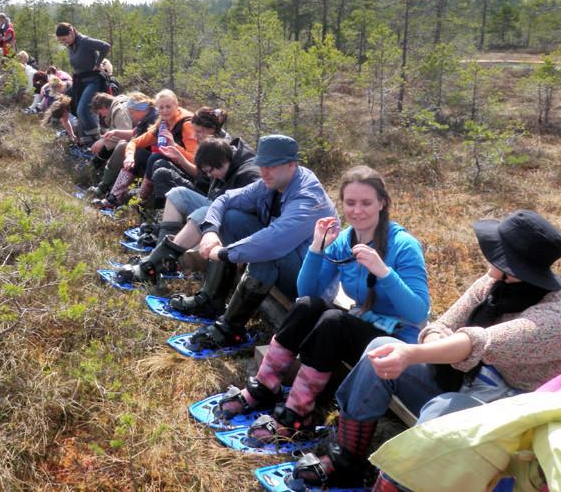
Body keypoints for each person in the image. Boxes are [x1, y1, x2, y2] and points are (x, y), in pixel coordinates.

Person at [288, 209, 561, 491]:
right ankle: (347, 456)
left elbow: (479, 341)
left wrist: (415, 354)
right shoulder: (494, 285)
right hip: (460, 377)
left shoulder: (554, 316)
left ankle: (391, 483)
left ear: (514, 268)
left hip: (504, 410)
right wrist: (434, 348)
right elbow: (441, 325)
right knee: (381, 348)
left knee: (442, 413)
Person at [216, 166, 430, 443]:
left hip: (396, 342)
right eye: (350, 203)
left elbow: (417, 311)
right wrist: (317, 249)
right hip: (363, 325)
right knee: (308, 306)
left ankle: (297, 413)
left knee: (334, 322)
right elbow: (307, 292)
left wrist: (384, 272)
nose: (357, 211)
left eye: (366, 203)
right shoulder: (346, 239)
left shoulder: (403, 245)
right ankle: (265, 386)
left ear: (382, 203)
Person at [180, 135, 337, 351]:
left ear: (292, 164)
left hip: (312, 285)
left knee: (264, 254)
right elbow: (224, 199)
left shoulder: (308, 199)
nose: (264, 171)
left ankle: (230, 329)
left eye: (271, 166)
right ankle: (211, 302)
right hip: (287, 260)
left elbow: (271, 243)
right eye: (261, 165)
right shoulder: (270, 183)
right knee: (230, 217)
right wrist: (210, 231)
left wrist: (224, 253)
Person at [115, 135, 259, 284]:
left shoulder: (250, 174)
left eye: (210, 171)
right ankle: (157, 256)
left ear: (222, 161)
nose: (209, 175)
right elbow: (206, 185)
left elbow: (258, 214)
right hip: (219, 209)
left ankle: (155, 266)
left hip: (240, 225)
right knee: (178, 195)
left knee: (204, 213)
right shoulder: (221, 161)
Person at [93, 89, 195, 210]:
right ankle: (114, 197)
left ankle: (140, 202)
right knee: (138, 154)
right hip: (168, 164)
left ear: (176, 105)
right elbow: (134, 141)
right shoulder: (162, 123)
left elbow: (194, 159)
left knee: (155, 157)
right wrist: (130, 156)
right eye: (161, 108)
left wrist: (175, 147)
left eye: (168, 106)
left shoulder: (186, 124)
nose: (165, 111)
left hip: (189, 170)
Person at [148, 107, 230, 211]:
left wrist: (180, 157)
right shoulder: (208, 140)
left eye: (199, 131)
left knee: (162, 173)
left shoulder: (219, 147)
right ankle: (155, 208)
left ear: (212, 129)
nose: (196, 135)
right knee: (159, 163)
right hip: (200, 184)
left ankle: (162, 214)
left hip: (208, 196)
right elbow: (200, 174)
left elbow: (204, 177)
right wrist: (178, 156)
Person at [87, 93, 158, 199]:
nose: (132, 117)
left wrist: (129, 151)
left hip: (150, 154)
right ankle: (111, 192)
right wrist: (115, 132)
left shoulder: (153, 118)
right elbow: (134, 133)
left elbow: (140, 139)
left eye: (132, 113)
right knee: (122, 145)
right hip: (145, 151)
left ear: (139, 109)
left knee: (122, 147)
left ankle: (110, 192)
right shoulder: (147, 116)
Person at [56, 22, 111, 146]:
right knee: (81, 109)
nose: (64, 42)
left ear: (71, 33)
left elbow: (105, 46)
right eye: (61, 41)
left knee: (82, 110)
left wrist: (98, 63)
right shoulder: (72, 44)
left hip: (93, 80)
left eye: (64, 39)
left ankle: (97, 139)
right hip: (81, 81)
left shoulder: (84, 41)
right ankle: (88, 141)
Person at [89, 92, 132, 163]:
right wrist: (105, 137)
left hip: (138, 141)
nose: (102, 116)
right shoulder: (116, 108)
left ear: (104, 106)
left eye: (100, 112)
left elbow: (126, 131)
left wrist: (104, 141)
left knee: (102, 154)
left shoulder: (120, 110)